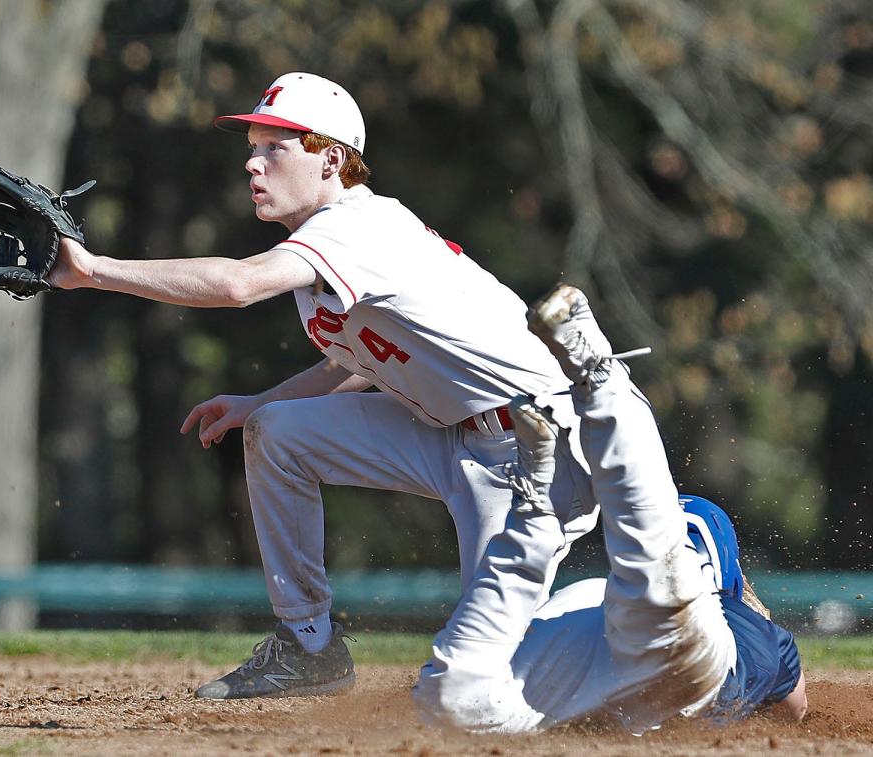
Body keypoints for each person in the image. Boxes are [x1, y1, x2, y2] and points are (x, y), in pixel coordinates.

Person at [48, 72, 601, 699]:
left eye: (276, 147)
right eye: (252, 148)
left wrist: (91, 270)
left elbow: (237, 285)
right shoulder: (324, 245)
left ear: (332, 158)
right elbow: (356, 365)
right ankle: (307, 647)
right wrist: (261, 403)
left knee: (499, 680)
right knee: (278, 432)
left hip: (532, 451)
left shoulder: (356, 226)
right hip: (454, 436)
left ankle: (690, 602)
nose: (253, 165)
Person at [412, 285, 806, 732]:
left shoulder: (601, 600)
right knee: (654, 568)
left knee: (447, 702)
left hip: (568, 684)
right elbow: (796, 709)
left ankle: (538, 505)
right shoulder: (752, 631)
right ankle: (598, 376)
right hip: (622, 674)